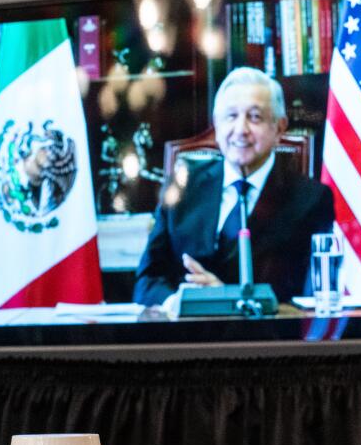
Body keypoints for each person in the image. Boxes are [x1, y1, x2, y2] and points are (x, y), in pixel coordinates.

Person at [133, 67, 334, 306]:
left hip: (265, 338)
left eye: (255, 117)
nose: (241, 130)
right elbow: (146, 282)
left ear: (279, 128)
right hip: (185, 336)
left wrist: (224, 298)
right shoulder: (182, 187)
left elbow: (310, 295)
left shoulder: (310, 200)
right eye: (231, 116)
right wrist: (178, 302)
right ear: (216, 125)